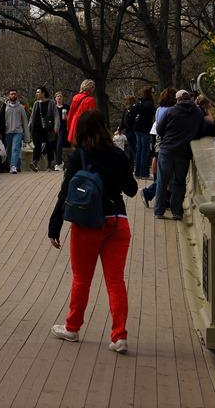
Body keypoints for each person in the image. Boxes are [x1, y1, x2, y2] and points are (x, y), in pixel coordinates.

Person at [48, 109, 138, 353]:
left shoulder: (78, 157)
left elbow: (65, 193)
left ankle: (72, 327)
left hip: (87, 224)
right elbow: (131, 190)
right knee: (115, 281)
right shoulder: (119, 155)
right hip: (117, 223)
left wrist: (54, 225)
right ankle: (119, 336)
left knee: (81, 279)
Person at [154, 89, 215, 220]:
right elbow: (203, 128)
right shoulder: (198, 113)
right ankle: (176, 211)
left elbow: (159, 130)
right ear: (189, 98)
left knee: (162, 181)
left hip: (167, 150)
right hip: (184, 152)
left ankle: (159, 211)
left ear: (177, 100)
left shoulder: (170, 111)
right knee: (179, 182)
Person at [141, 88, 176, 208]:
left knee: (165, 174)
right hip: (166, 142)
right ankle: (149, 193)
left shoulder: (159, 109)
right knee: (167, 175)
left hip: (159, 140)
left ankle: (163, 198)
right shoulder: (170, 111)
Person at [0, 88, 30, 174]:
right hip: (7, 132)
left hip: (18, 132)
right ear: (9, 96)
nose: (13, 95)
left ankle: (13, 166)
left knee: (15, 149)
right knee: (9, 150)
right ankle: (15, 165)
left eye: (14, 94)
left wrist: (27, 136)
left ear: (17, 95)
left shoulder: (21, 107)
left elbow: (25, 122)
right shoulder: (5, 107)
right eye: (11, 94)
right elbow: (0, 120)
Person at [29, 86, 58, 171]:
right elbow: (32, 117)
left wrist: (56, 127)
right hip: (37, 129)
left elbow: (56, 115)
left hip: (48, 128)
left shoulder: (51, 103)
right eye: (36, 92)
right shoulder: (36, 103)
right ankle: (35, 163)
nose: (36, 94)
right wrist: (28, 128)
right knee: (36, 145)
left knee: (49, 146)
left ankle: (50, 164)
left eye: (38, 92)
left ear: (43, 93)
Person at [132, 87, 157, 178]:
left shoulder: (139, 103)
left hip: (137, 128)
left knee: (139, 150)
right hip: (145, 129)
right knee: (145, 150)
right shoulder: (149, 104)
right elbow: (154, 113)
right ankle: (144, 173)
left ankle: (137, 172)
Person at [65, 79, 97, 145]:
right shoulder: (91, 100)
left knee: (77, 148)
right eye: (93, 87)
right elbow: (92, 117)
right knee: (84, 149)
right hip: (84, 126)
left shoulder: (75, 97)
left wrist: (69, 127)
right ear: (89, 88)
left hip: (74, 125)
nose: (94, 89)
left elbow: (71, 114)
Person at [53, 91, 70, 171]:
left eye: (61, 96)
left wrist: (67, 118)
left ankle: (58, 164)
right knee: (55, 146)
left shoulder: (66, 107)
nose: (59, 98)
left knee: (59, 145)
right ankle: (59, 162)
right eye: (58, 96)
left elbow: (70, 118)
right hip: (54, 128)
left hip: (63, 128)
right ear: (55, 98)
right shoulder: (53, 107)